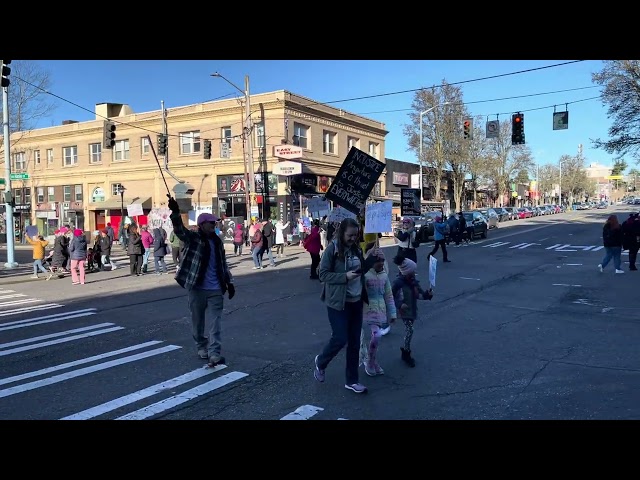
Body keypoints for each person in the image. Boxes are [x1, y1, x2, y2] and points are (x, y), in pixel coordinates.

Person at [313, 217, 383, 394]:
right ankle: (321, 362)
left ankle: (352, 380)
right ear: (342, 233)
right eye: (350, 235)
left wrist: (372, 259)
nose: (353, 238)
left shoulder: (356, 249)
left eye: (356, 235)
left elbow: (360, 271)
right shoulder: (332, 249)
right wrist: (344, 277)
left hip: (356, 301)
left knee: (354, 342)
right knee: (340, 338)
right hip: (338, 302)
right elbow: (323, 274)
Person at [168, 196, 235, 367]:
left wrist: (229, 282)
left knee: (216, 323)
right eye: (211, 223)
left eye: (215, 223)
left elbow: (222, 264)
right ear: (202, 224)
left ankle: (214, 353)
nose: (214, 225)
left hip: (215, 289)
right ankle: (201, 345)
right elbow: (179, 230)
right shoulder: (194, 238)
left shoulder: (217, 241)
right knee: (198, 322)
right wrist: (175, 212)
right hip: (197, 288)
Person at [359, 251, 396, 376]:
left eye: (382, 260)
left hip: (381, 311)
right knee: (376, 335)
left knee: (377, 337)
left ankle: (373, 361)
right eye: (377, 260)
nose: (380, 263)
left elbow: (389, 295)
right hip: (367, 310)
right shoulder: (365, 275)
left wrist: (393, 313)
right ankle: (370, 362)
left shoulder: (384, 276)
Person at [392, 253, 433, 368]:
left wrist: (428, 295)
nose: (414, 273)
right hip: (404, 312)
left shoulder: (413, 282)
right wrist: (400, 304)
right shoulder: (398, 283)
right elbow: (391, 297)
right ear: (406, 272)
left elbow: (419, 295)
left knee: (409, 332)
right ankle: (406, 353)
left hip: (413, 311)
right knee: (410, 330)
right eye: (412, 271)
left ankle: (405, 349)